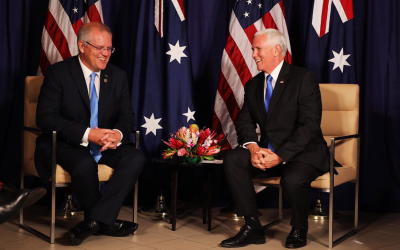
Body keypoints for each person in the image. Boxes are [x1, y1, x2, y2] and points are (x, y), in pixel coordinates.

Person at [35, 22, 144, 245]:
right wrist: (87, 134)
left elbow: (127, 117)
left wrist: (117, 134)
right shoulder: (59, 73)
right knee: (84, 163)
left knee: (135, 157)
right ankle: (107, 222)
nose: (106, 54)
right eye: (99, 48)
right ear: (82, 46)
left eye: (109, 49)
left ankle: (94, 221)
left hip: (104, 144)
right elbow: (45, 118)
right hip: (68, 143)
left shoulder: (117, 75)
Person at [220, 29, 330, 249]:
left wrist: (280, 156)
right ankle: (252, 227)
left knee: (292, 179)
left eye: (257, 49)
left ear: (276, 50)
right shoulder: (252, 85)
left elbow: (309, 126)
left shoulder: (303, 78)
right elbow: (244, 123)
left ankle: (299, 228)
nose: (253, 54)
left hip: (303, 152)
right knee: (233, 159)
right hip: (267, 151)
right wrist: (253, 149)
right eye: (252, 49)